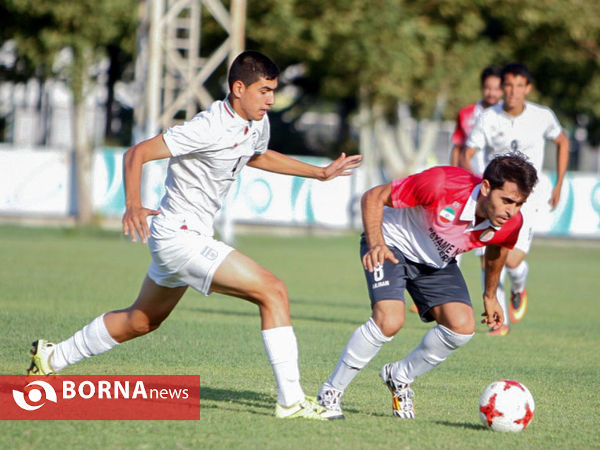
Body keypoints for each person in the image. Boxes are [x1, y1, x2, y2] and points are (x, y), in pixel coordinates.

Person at [26, 51, 362, 421]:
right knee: (274, 290)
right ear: (238, 88)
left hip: (188, 236)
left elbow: (256, 155)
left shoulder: (255, 123)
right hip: (179, 236)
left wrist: (320, 173)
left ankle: (51, 357)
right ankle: (292, 401)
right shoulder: (207, 126)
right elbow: (137, 153)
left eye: (273, 91)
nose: (271, 99)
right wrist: (134, 205)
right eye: (264, 91)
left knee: (142, 320)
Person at [316, 154, 538, 419]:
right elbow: (373, 196)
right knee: (389, 320)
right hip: (391, 243)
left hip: (436, 263)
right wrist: (376, 243)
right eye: (507, 201)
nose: (511, 211)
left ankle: (399, 377)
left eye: (519, 204)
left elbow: (497, 251)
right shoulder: (442, 183)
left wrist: (490, 295)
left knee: (462, 327)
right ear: (487, 187)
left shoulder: (512, 222)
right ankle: (330, 392)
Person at [461, 62, 569, 335]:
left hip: (527, 201)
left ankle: (519, 284)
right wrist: (476, 184)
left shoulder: (542, 116)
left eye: (519, 85)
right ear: (502, 87)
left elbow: (562, 141)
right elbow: (468, 152)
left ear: (527, 88)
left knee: (509, 261)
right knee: (489, 258)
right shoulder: (488, 117)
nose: (512, 91)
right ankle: (500, 321)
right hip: (495, 200)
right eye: (508, 85)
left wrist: (559, 184)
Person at [449, 65, 503, 170]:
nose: (492, 93)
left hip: (498, 179)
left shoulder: (507, 116)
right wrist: (454, 173)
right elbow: (457, 147)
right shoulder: (466, 114)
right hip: (471, 177)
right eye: (488, 88)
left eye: (496, 89)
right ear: (482, 87)